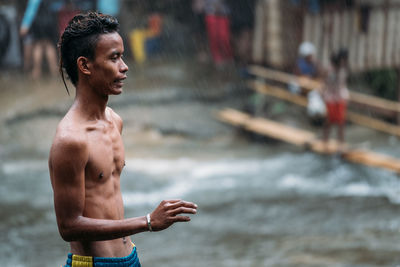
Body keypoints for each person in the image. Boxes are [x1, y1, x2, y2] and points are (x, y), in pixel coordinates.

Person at [49, 12, 198, 267]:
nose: (124, 66)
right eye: (114, 58)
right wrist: (148, 222)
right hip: (94, 263)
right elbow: (68, 226)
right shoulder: (70, 140)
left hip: (130, 258)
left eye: (122, 56)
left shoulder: (114, 121)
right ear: (85, 66)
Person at [20, 0, 58, 79]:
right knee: (49, 45)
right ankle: (54, 70)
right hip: (50, 21)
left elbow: (31, 11)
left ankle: (36, 71)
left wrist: (25, 25)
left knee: (38, 46)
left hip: (40, 22)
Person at [322, 49, 350, 150]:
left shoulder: (343, 69)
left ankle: (341, 143)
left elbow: (343, 83)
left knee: (341, 121)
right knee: (329, 120)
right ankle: (325, 140)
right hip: (331, 98)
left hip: (340, 98)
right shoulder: (330, 70)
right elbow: (325, 83)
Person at [204, 0, 233, 68]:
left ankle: (228, 57)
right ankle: (217, 59)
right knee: (214, 38)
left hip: (224, 13)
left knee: (224, 37)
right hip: (211, 13)